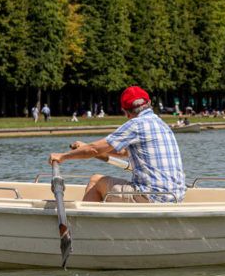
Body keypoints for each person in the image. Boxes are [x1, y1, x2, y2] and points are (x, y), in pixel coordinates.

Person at [48, 86, 185, 203]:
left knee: (96, 181)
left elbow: (95, 150)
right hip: (176, 196)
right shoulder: (161, 124)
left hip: (152, 197)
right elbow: (123, 152)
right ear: (149, 102)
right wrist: (85, 147)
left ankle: (85, 228)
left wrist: (63, 156)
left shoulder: (135, 125)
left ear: (126, 112)